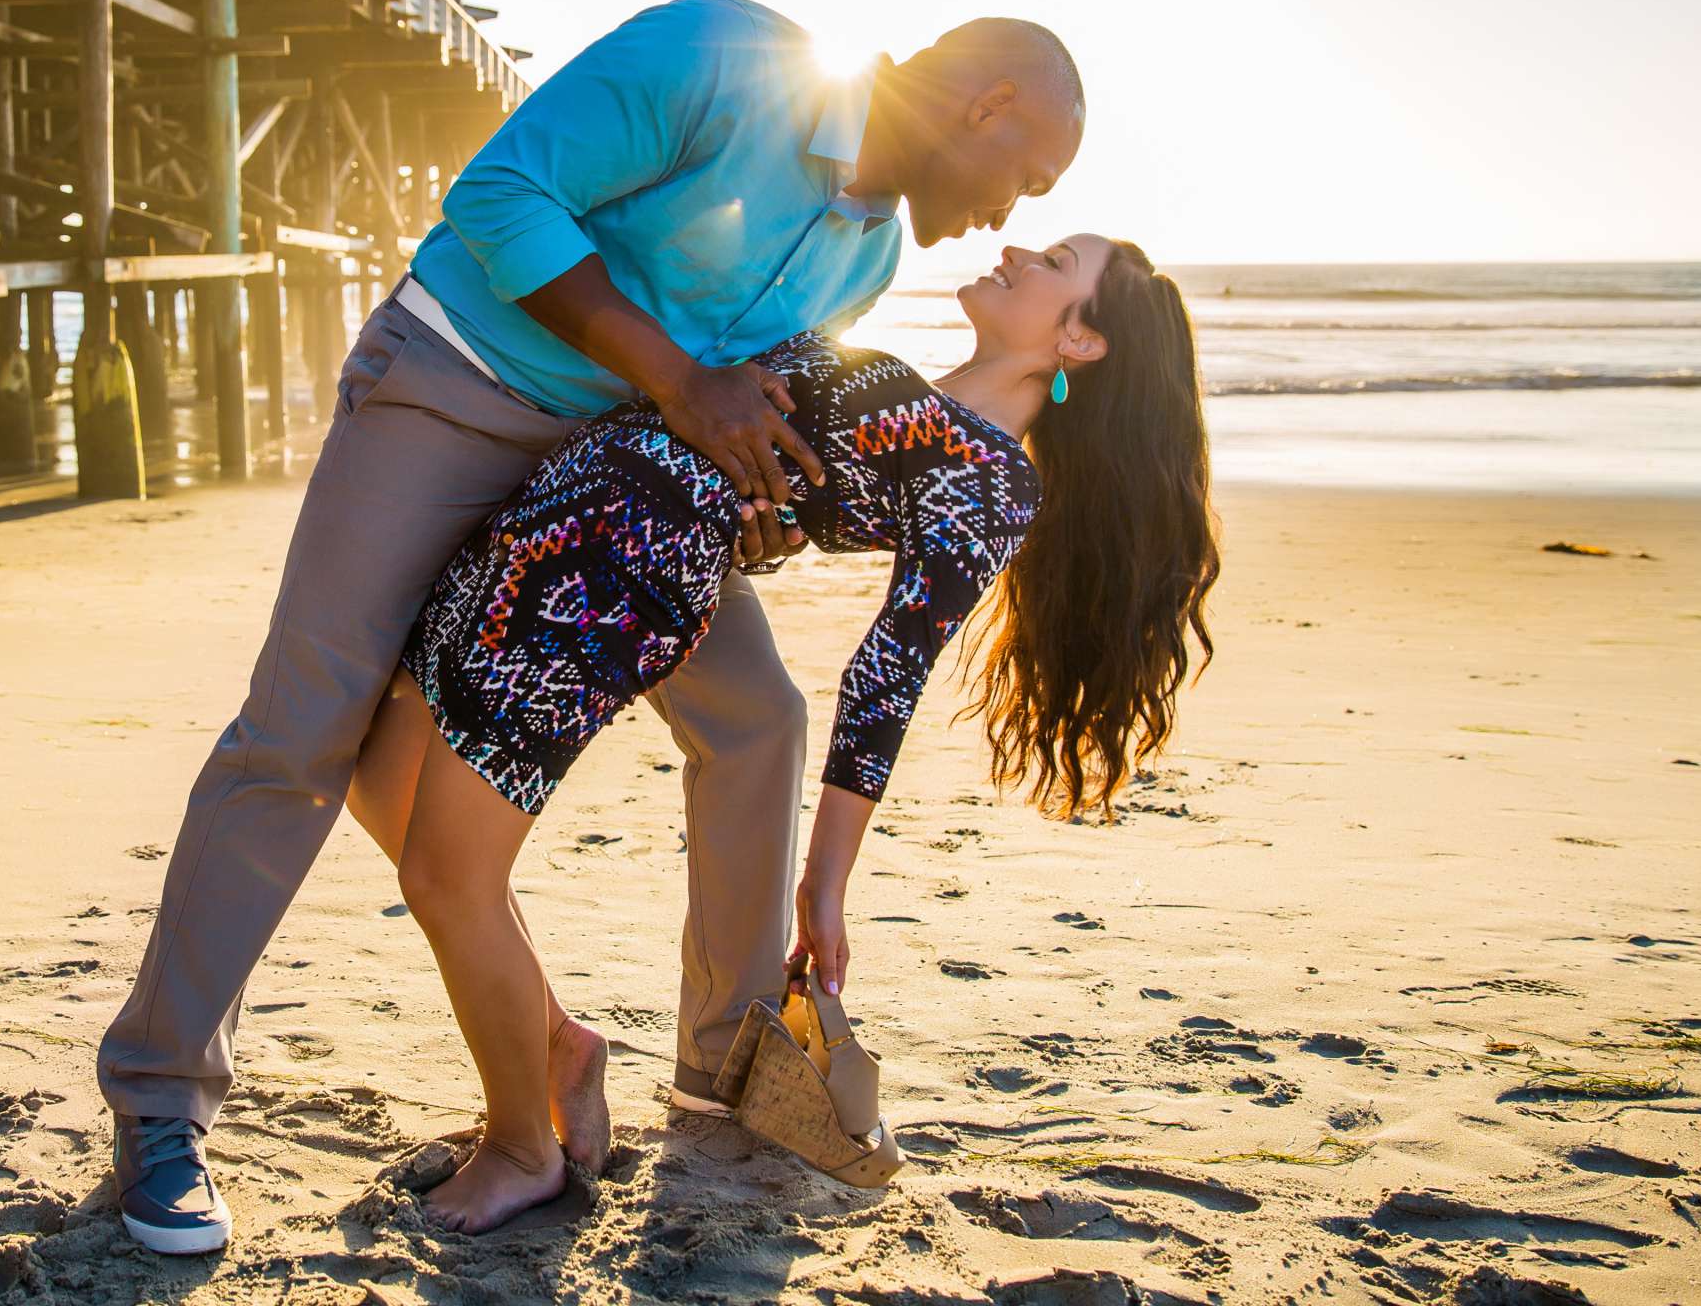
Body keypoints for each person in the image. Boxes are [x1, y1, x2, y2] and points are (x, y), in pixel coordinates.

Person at [99, 0, 1086, 1255]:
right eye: (1030, 173)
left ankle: (723, 1067)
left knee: (762, 715)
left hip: (616, 487)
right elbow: (499, 195)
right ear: (985, 106)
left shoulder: (874, 255)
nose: (1017, 210)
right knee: (304, 731)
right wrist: (684, 382)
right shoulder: (722, 57)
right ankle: (161, 1100)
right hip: (454, 386)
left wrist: (760, 498)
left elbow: (753, 398)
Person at [347, 234, 1220, 1232]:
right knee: (381, 775)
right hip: (555, 517)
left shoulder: (988, 483)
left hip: (609, 580)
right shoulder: (933, 396)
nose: (1020, 248)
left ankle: (522, 1145)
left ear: (1082, 341)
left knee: (444, 873)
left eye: (1058, 261)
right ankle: (557, 1045)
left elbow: (886, 675)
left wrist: (825, 883)